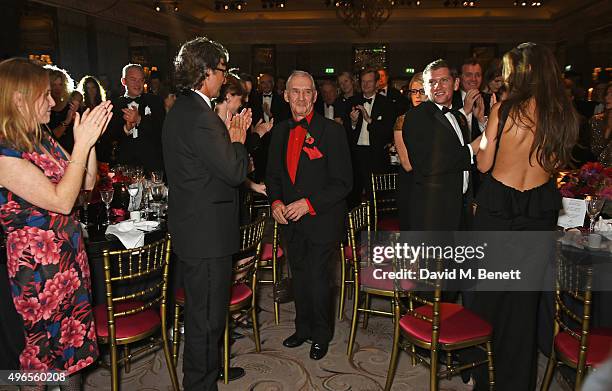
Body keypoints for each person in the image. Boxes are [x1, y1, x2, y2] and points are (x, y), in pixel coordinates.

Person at [469, 42, 579, 391]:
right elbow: (555, 165)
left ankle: (485, 377)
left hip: (498, 210)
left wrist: (482, 131)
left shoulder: (504, 110)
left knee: (489, 298)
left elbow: (484, 163)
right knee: (523, 305)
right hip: (537, 212)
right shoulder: (562, 115)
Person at [0, 57, 112, 390]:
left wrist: (89, 143)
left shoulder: (42, 139)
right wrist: (80, 146)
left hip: (67, 263)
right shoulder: (5, 154)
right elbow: (61, 201)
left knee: (72, 354)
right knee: (40, 363)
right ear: (19, 99)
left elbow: (85, 187)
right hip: (36, 272)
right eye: (44, 95)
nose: (53, 101)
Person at [162, 37, 249, 391]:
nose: (224, 78)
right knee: (206, 320)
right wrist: (238, 140)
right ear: (205, 72)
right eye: (222, 70)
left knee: (204, 316)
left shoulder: (184, 109)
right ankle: (201, 384)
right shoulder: (199, 116)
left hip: (196, 229)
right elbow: (234, 172)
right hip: (206, 235)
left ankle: (206, 378)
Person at [265, 70, 352, 361]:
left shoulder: (333, 131)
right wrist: (276, 202)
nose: (301, 97)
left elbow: (343, 183)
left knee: (318, 279)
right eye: (295, 92)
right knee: (299, 276)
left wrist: (309, 204)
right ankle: (302, 328)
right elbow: (273, 175)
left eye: (307, 92)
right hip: (290, 220)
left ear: (315, 96)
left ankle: (321, 334)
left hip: (322, 218)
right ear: (286, 95)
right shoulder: (279, 131)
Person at [403, 59, 481, 231]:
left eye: (444, 80)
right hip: (434, 213)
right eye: (432, 82)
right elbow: (426, 163)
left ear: (456, 84)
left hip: (460, 208)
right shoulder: (416, 117)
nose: (438, 86)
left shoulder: (457, 117)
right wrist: (470, 150)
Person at [105, 64, 165, 172]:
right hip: (125, 167)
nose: (138, 84)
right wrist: (126, 129)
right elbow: (108, 139)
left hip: (152, 166)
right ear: (124, 81)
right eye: (133, 80)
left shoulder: (155, 101)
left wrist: (139, 119)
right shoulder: (113, 106)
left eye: (141, 80)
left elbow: (162, 130)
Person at [394, 72, 427, 230]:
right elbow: (407, 164)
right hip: (411, 184)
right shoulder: (402, 121)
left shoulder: (438, 120)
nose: (417, 95)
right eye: (414, 91)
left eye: (422, 91)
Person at [46, 65, 78, 153]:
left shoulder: (70, 105)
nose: (57, 88)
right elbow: (50, 139)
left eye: (60, 84)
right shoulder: (45, 108)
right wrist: (67, 121)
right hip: (55, 153)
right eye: (53, 85)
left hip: (73, 151)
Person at [590, 82, 612, 166]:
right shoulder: (597, 120)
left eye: (611, 94)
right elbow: (596, 150)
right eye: (607, 94)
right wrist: (609, 129)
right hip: (601, 171)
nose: (607, 98)